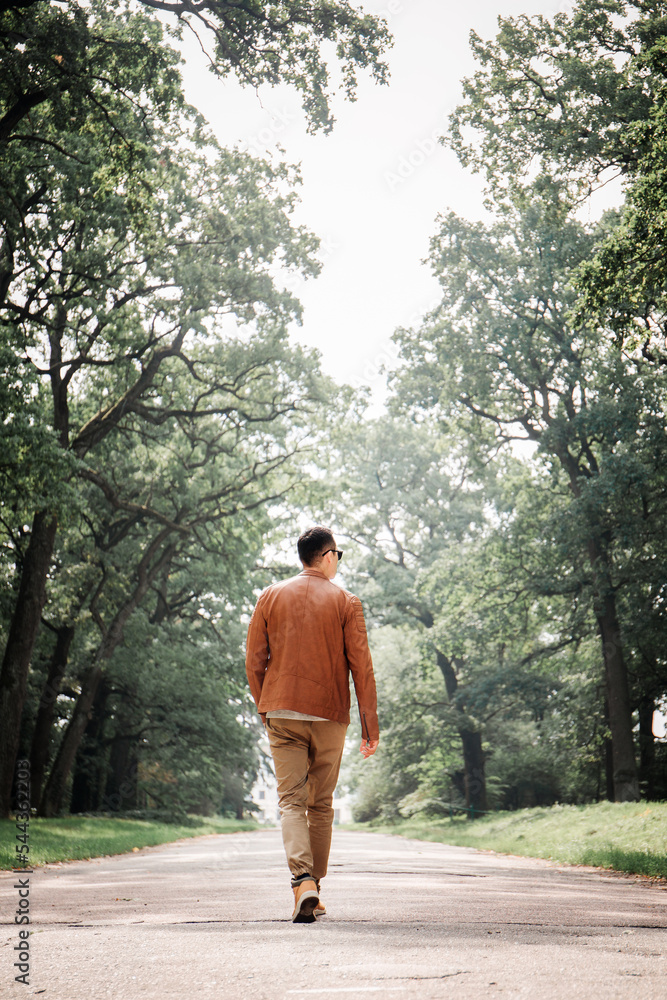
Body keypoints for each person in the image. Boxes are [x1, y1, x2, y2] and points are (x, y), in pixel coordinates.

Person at [245, 525, 379, 922]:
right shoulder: (347, 601)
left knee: (289, 801)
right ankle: (313, 886)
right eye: (338, 554)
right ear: (326, 556)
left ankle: (302, 882)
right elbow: (362, 669)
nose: (338, 561)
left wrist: (265, 706)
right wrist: (371, 727)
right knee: (320, 804)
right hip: (329, 714)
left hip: (282, 713)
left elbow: (255, 660)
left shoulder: (270, 596)